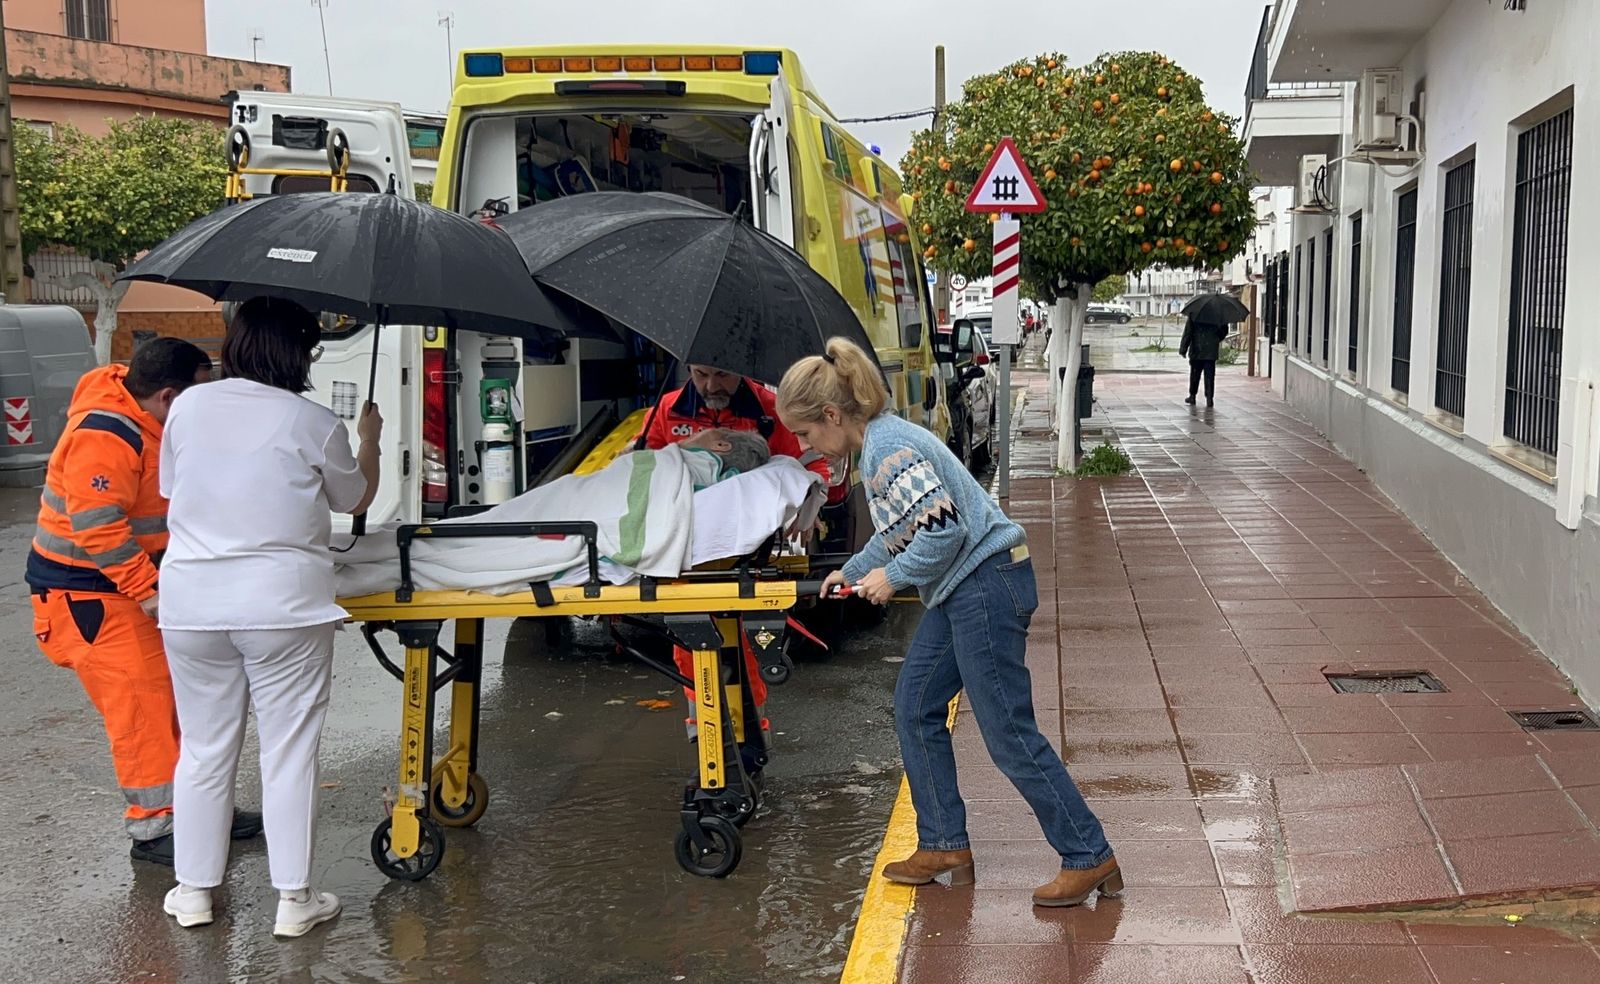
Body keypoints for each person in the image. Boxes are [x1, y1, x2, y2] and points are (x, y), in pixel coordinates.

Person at [779, 338, 1120, 908]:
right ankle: (943, 845)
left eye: (808, 434)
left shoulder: (889, 452)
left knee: (1008, 733)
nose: (806, 444)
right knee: (915, 706)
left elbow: (943, 535)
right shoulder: (880, 445)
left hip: (985, 585)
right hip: (967, 585)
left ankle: (1088, 854)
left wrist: (890, 580)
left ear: (832, 416)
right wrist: (855, 569)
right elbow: (904, 532)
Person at [157, 297, 382, 938]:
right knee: (289, 751)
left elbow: (178, 492)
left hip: (192, 603)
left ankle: (194, 890)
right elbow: (354, 497)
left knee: (203, 749)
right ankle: (294, 900)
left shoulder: (188, 408)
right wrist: (369, 441)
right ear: (301, 353)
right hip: (283, 605)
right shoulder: (312, 422)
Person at [26, 337, 264, 866]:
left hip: (116, 591)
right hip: (90, 598)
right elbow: (97, 525)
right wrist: (150, 593)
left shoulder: (142, 420)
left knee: (176, 706)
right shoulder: (106, 435)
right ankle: (155, 831)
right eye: (199, 394)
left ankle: (201, 814)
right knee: (144, 713)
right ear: (168, 395)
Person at [638, 364, 837, 758]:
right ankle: (705, 740)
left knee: (748, 644)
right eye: (699, 374)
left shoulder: (769, 410)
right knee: (689, 642)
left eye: (721, 376)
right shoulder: (667, 410)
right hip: (685, 551)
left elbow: (809, 463)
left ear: (740, 372)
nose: (711, 385)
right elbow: (644, 467)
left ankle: (750, 737)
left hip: (745, 551)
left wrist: (812, 502)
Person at [1179, 316, 1225, 408]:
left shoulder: (1194, 314)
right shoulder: (1218, 315)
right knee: (1210, 376)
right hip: (1211, 351)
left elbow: (1188, 333)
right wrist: (1215, 339)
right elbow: (1224, 330)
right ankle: (1209, 398)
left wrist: (1183, 349)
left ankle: (1192, 396)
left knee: (1195, 375)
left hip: (1197, 349)